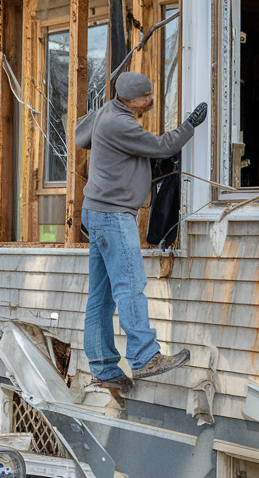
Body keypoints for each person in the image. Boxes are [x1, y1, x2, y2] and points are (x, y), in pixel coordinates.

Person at [73, 71, 208, 390]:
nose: (150, 101)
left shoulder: (106, 111)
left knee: (102, 295)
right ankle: (144, 357)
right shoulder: (121, 124)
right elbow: (162, 146)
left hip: (96, 210)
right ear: (130, 99)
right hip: (113, 216)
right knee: (130, 285)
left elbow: (83, 136)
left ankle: (103, 367)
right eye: (145, 97)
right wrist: (190, 124)